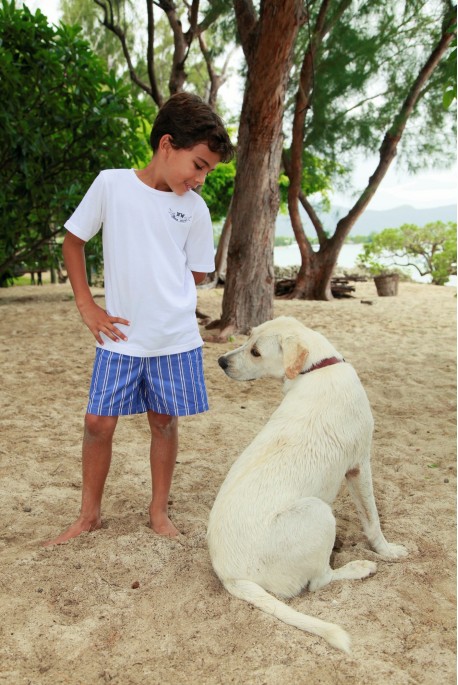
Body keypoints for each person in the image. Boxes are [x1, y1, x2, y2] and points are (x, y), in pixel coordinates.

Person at [44, 92, 234, 546]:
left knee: (164, 421)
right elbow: (73, 242)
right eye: (200, 164)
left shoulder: (195, 208)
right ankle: (88, 515)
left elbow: (198, 271)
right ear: (167, 144)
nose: (202, 178)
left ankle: (158, 510)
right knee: (97, 423)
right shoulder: (111, 185)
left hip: (173, 336)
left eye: (208, 170)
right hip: (121, 336)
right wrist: (87, 305)